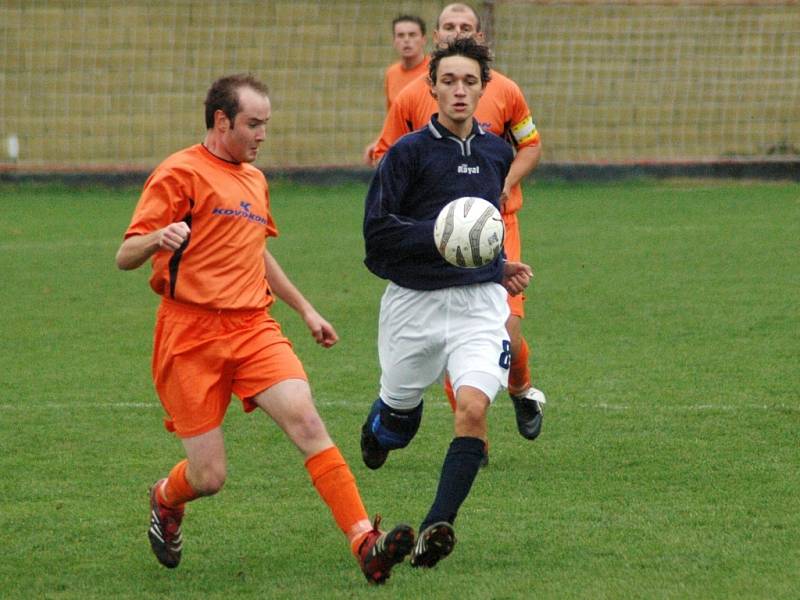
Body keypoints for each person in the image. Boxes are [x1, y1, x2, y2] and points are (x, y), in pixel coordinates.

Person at [115, 73, 413, 585]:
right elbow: (125, 255)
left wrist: (305, 310)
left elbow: (255, 250)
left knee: (307, 422)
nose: (262, 135)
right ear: (221, 120)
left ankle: (365, 542)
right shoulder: (178, 174)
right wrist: (157, 238)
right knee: (209, 477)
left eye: (266, 125)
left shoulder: (254, 179)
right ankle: (166, 497)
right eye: (253, 124)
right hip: (189, 334)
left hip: (253, 325)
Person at [360, 38, 533, 569]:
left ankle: (438, 525)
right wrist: (437, 235)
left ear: (485, 89)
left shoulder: (496, 153)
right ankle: (380, 428)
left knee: (473, 407)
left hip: (480, 305)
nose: (460, 90)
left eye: (470, 82)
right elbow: (376, 238)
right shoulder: (407, 154)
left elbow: (481, 230)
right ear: (431, 87)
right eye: (449, 81)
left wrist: (496, 265)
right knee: (398, 427)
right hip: (415, 305)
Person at [372, 3, 546, 459]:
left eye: (465, 27)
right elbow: (389, 152)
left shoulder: (506, 90)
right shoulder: (411, 95)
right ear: (436, 39)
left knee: (506, 328)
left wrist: (504, 184)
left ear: (480, 38)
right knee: (459, 334)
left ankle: (521, 389)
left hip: (495, 225)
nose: (455, 33)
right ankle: (473, 434)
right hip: (436, 233)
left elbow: (529, 143)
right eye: (448, 27)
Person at [362, 14, 430, 165]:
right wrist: (379, 142)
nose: (406, 40)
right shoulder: (391, 73)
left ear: (423, 39)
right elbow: (393, 117)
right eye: (401, 35)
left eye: (412, 35)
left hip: (430, 145)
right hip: (403, 149)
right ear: (394, 41)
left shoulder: (435, 70)